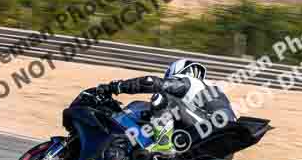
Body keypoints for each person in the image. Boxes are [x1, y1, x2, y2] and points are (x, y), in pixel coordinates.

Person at [97, 59, 236, 154]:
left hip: (209, 126)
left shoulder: (190, 81)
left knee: (161, 97)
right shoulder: (210, 91)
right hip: (218, 138)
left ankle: (163, 145)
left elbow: (150, 82)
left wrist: (117, 86)